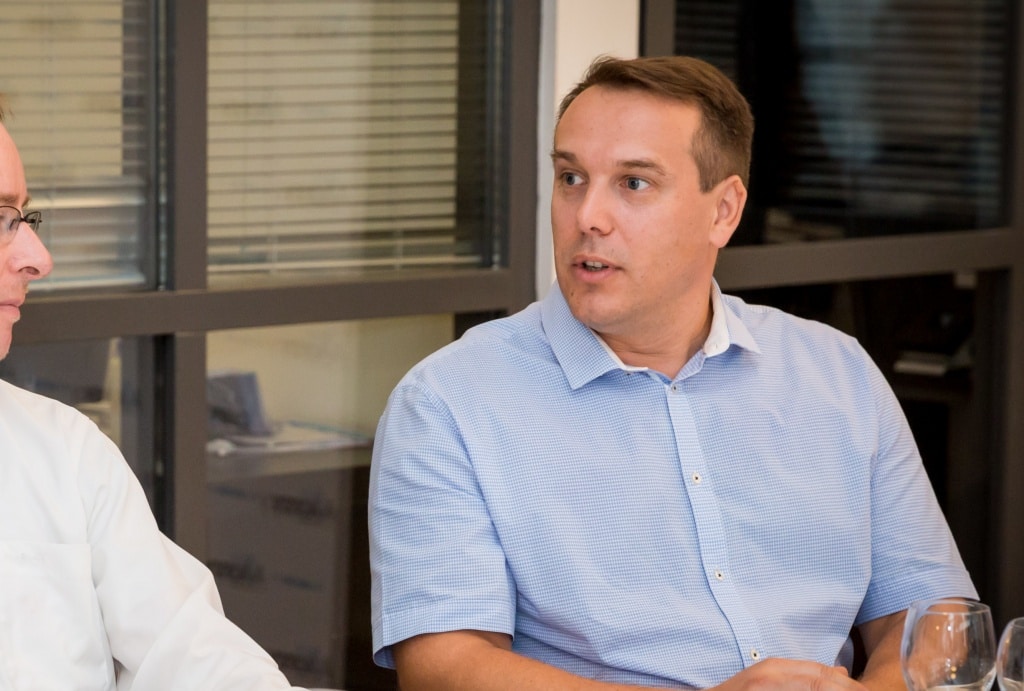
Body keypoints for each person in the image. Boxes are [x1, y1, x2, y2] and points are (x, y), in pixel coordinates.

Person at [368, 55, 978, 690]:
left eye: (633, 183)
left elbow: (935, 616)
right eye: (571, 177)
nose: (587, 216)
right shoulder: (448, 401)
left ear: (724, 211)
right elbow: (443, 667)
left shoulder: (835, 371)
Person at [0, 101, 305, 689]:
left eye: (24, 216)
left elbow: (192, 653)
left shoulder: (64, 453)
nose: (40, 258)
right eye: (0, 219)